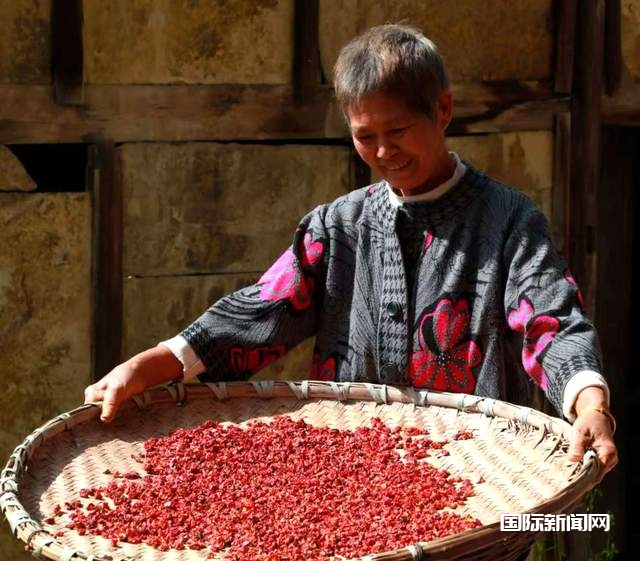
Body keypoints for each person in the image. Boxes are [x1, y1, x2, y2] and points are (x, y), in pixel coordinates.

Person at [85, 24, 617, 482]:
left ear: (443, 110)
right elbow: (263, 309)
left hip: (480, 472)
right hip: (358, 473)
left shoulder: (508, 221)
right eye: (365, 136)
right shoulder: (337, 227)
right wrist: (152, 364)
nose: (384, 152)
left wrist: (590, 402)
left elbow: (550, 319)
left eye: (399, 130)